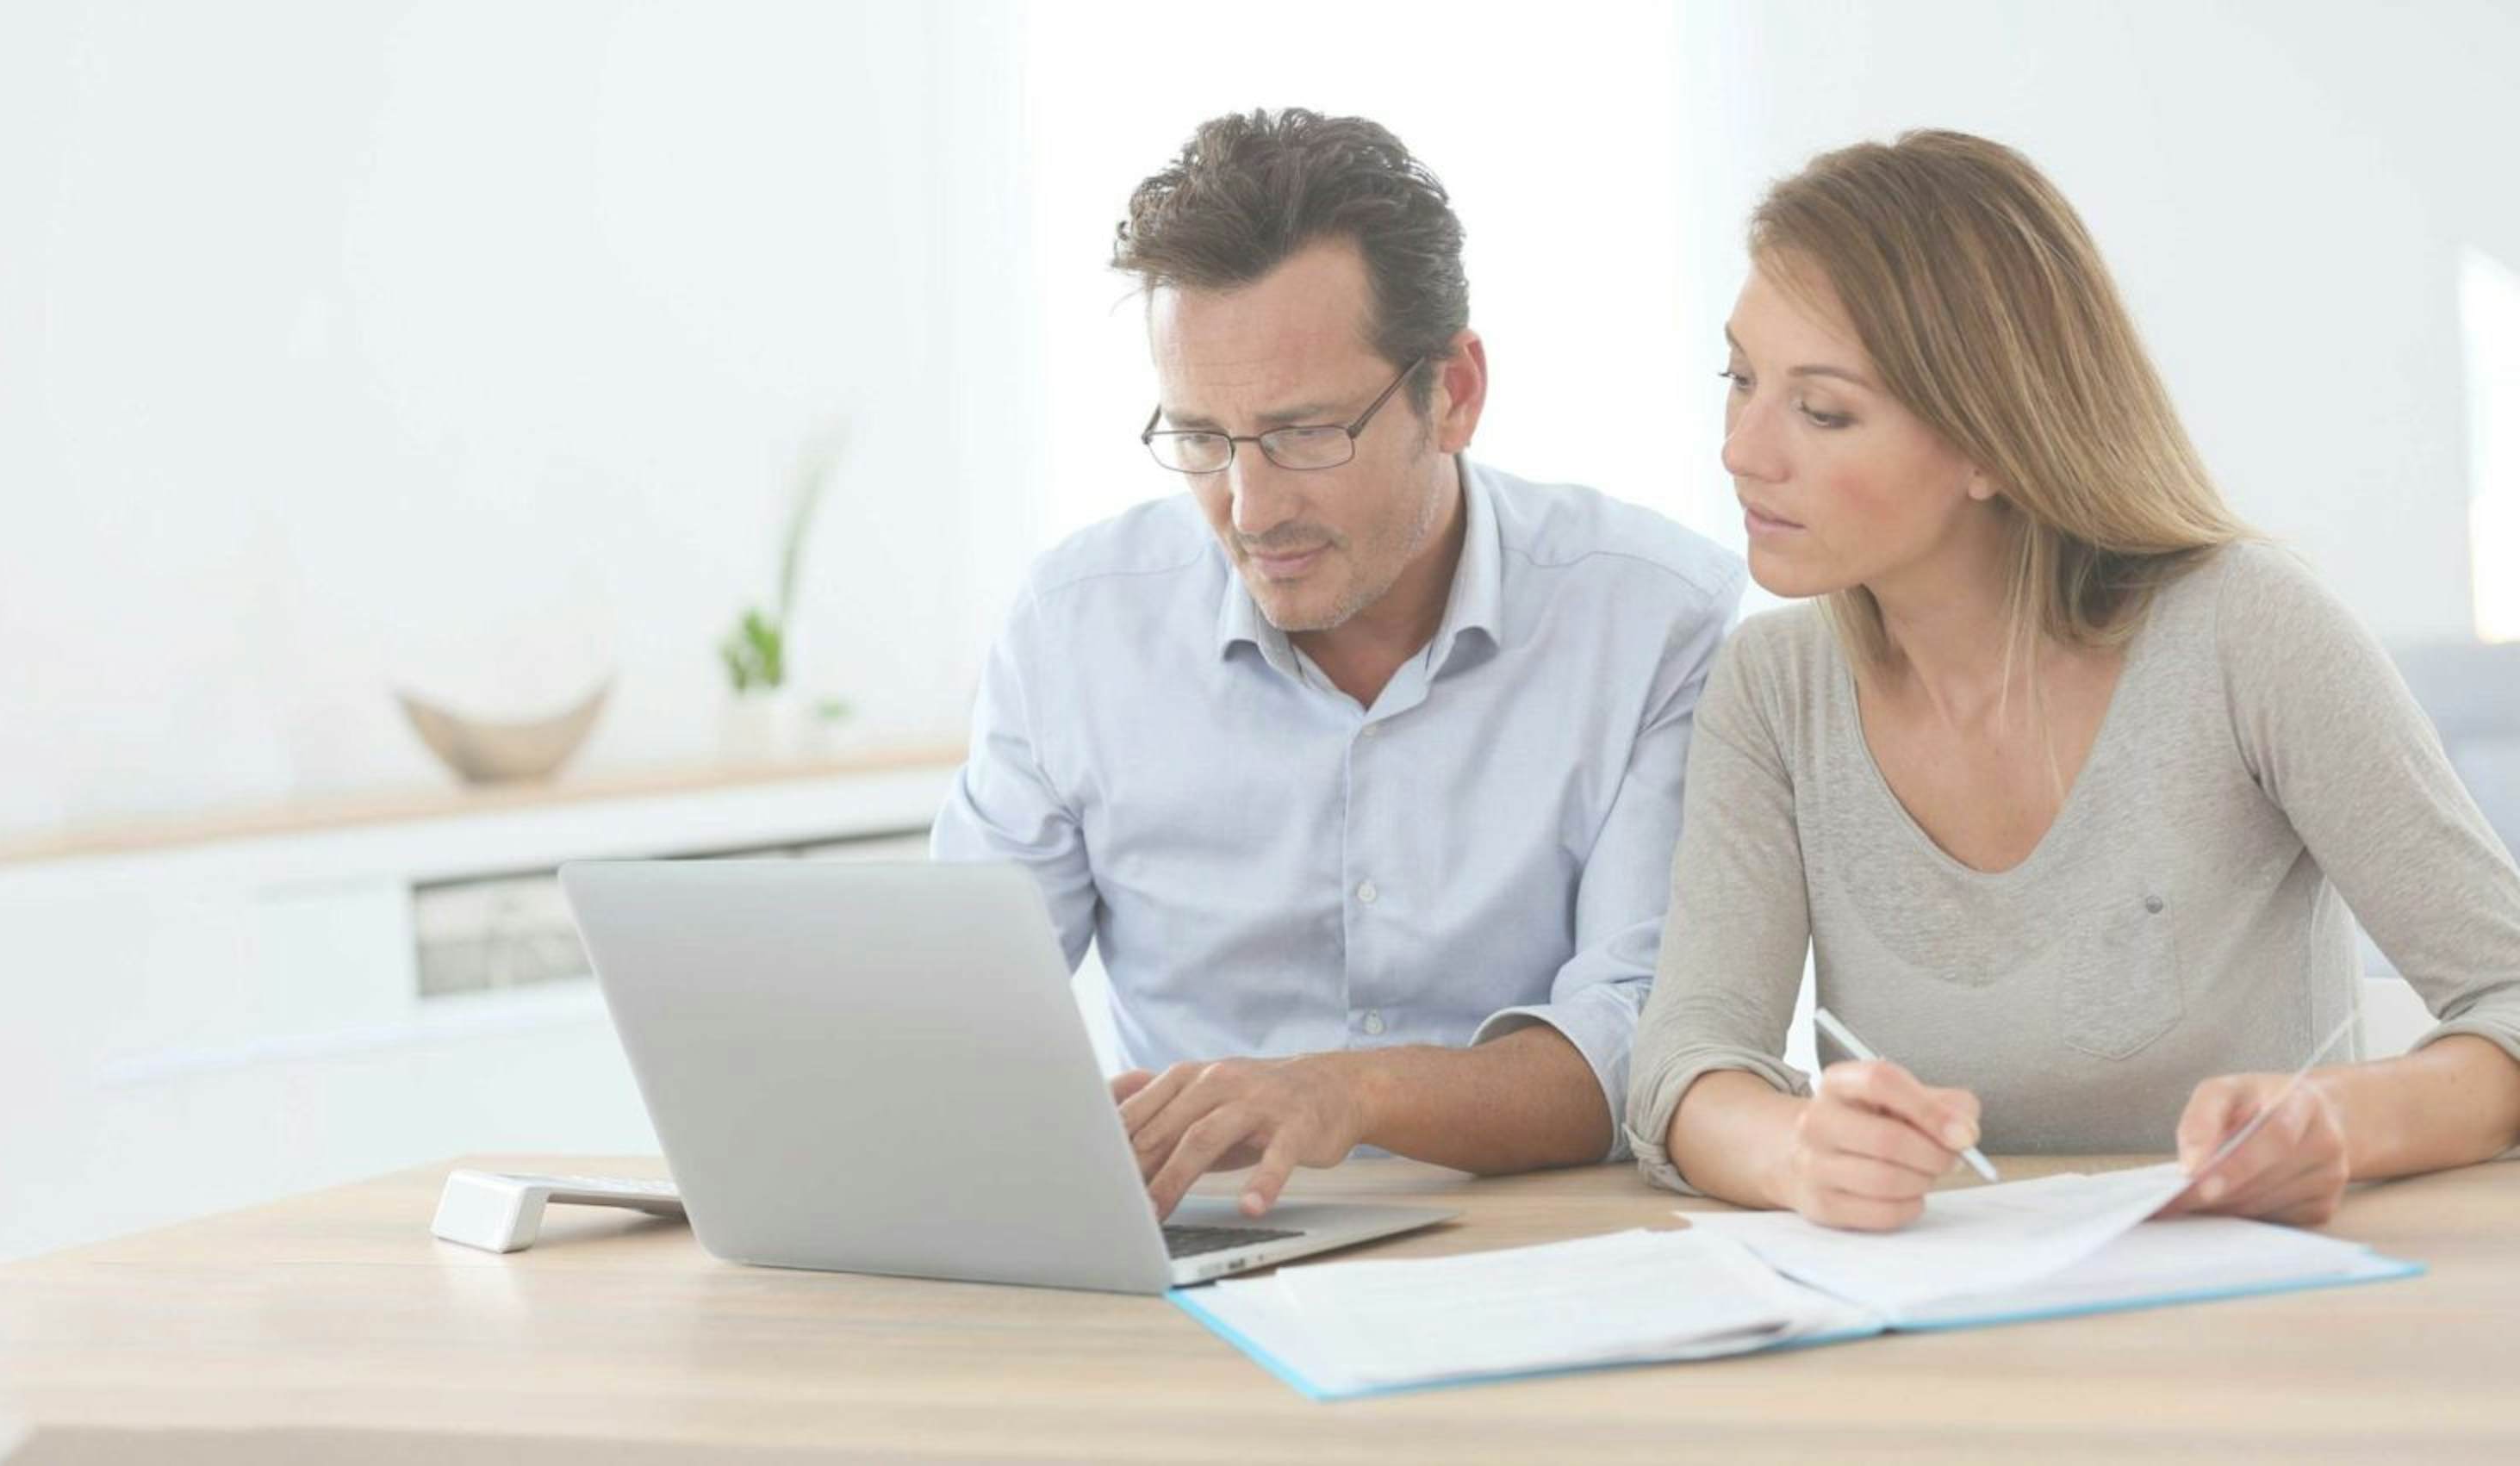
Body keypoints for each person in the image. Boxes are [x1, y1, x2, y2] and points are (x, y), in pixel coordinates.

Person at [1627, 129, 2520, 1230]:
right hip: (1944, 1334)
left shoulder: (2251, 631)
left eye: (1822, 410)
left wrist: (2338, 1121)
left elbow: (2510, 1002)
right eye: (1740, 379)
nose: (1742, 451)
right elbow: (1688, 1060)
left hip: (2254, 1325)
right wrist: (1793, 1150)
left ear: (1990, 445)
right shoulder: (1774, 688)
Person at [933, 109, 1742, 1220]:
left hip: (1535, 1249)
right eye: (1202, 439)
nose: (1251, 509)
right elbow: (954, 1011)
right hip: (1196, 1259)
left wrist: (1346, 1092)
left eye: (1306, 433)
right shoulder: (1073, 627)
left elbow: (1644, 1045)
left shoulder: (1656, 619)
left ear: (1452, 394)